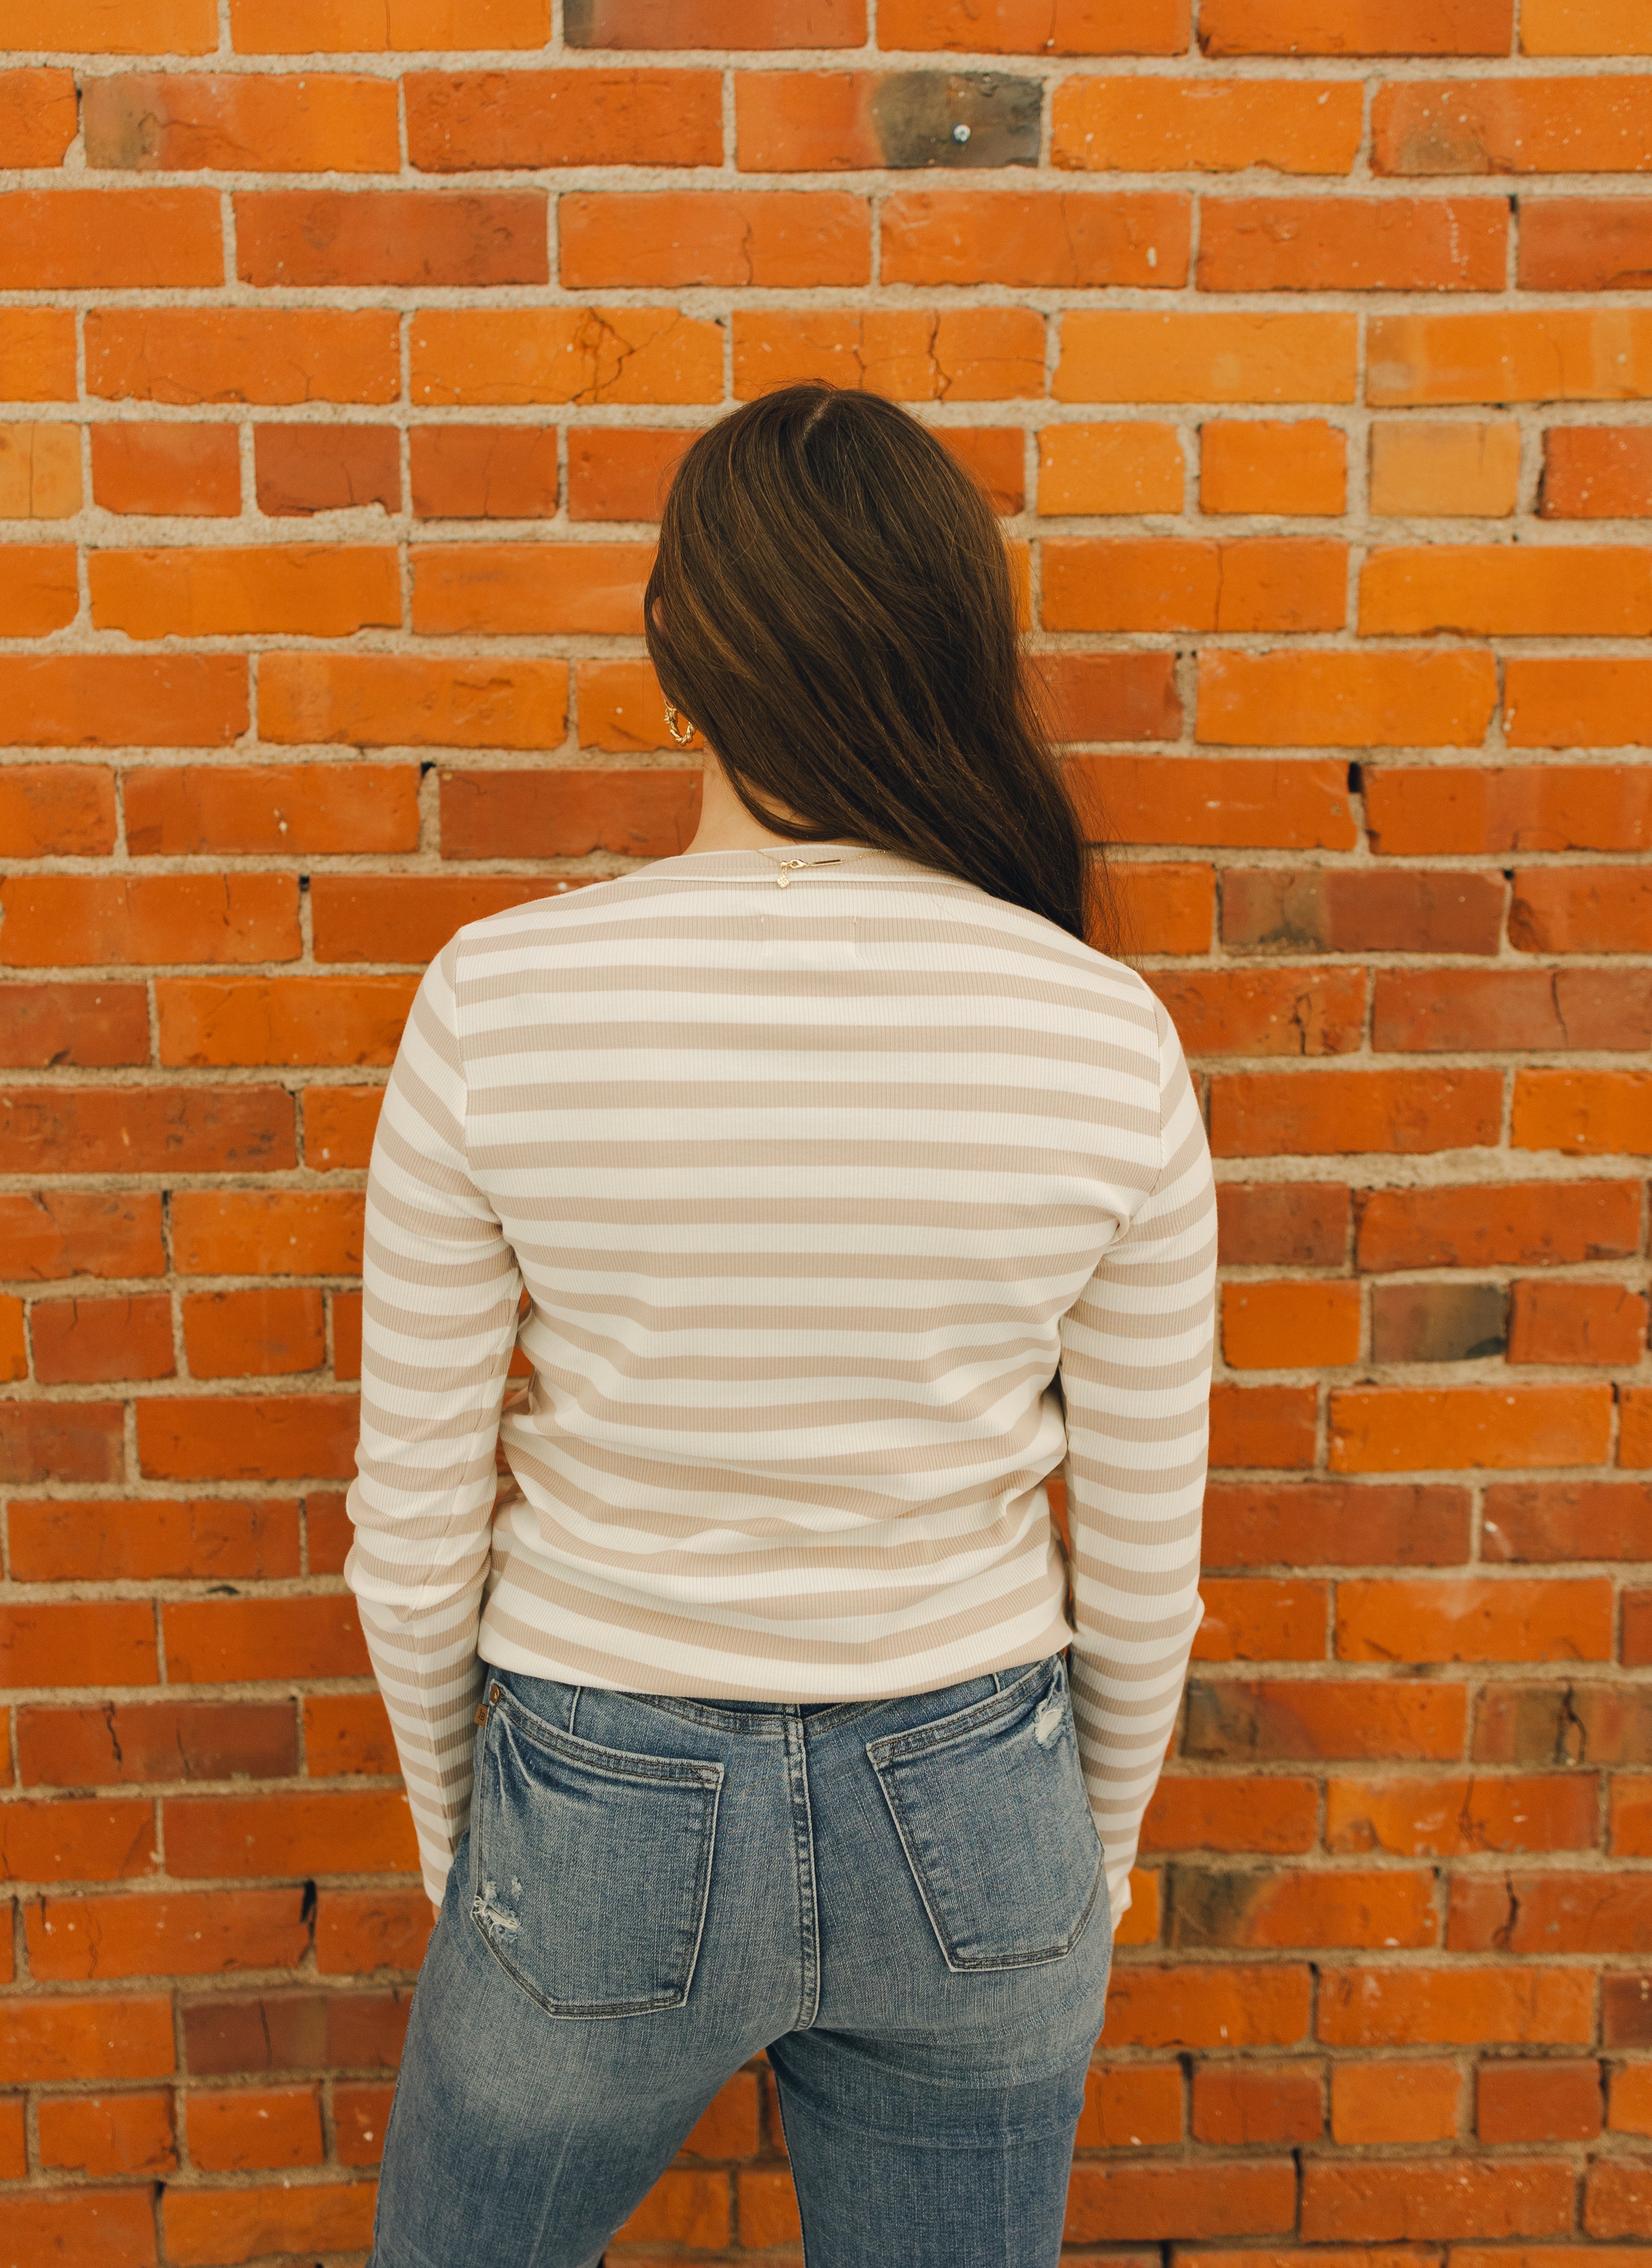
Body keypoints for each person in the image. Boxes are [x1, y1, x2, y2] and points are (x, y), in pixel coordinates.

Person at [346, 383, 1217, 2268]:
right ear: (956, 648)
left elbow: (410, 1547)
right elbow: (1148, 1566)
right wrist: (1090, 1856)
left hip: (599, 1793)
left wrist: (464, 1845)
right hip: (978, 1799)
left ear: (677, 653)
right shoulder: (1104, 1032)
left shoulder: (498, 1000)